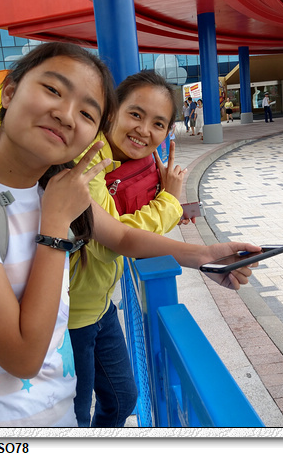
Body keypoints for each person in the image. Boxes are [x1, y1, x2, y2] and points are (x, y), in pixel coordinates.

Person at [0, 42, 260, 427]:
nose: (66, 115)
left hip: (60, 416)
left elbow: (121, 238)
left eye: (87, 112)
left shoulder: (53, 184)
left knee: (120, 398)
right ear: (10, 91)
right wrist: (55, 226)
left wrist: (206, 255)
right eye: (53, 90)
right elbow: (23, 358)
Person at [68, 71, 186, 427]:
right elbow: (108, 244)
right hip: (68, 314)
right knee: (73, 416)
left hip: (101, 304)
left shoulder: (139, 164)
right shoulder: (88, 157)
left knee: (122, 400)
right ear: (112, 110)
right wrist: (170, 202)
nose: (144, 130)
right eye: (136, 114)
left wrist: (162, 193)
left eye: (158, 124)